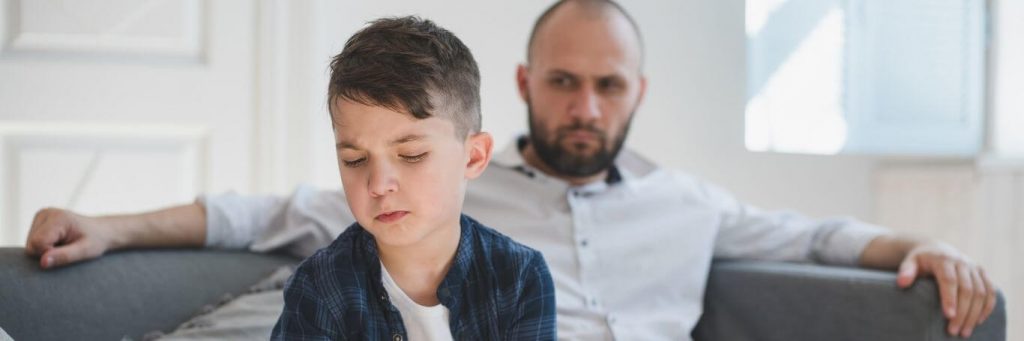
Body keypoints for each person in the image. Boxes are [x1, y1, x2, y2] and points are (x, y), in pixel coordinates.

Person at [25, 0, 996, 339]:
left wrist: (930, 243)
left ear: (636, 92)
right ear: (526, 86)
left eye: (606, 86)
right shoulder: (435, 189)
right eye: (563, 82)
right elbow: (263, 213)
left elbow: (819, 236)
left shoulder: (686, 202)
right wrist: (110, 227)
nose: (584, 106)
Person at [268, 16, 555, 340]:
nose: (378, 184)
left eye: (412, 155)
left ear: (473, 156)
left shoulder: (519, 277)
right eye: (355, 160)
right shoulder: (319, 288)